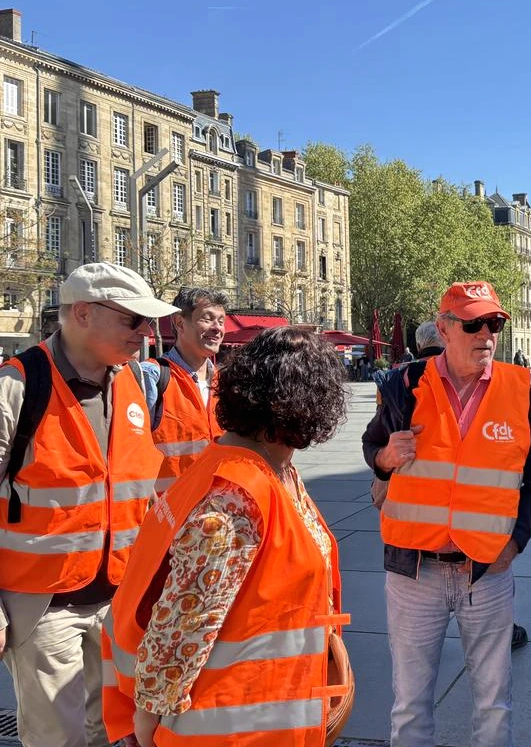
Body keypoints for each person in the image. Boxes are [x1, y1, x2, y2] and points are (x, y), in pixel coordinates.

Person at [103, 328, 351, 746]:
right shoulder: (236, 497)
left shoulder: (254, 469)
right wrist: (146, 723)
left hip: (259, 713)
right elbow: (184, 621)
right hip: (228, 726)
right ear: (302, 411)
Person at [362, 280, 531, 747]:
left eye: (495, 323)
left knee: (494, 704)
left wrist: (516, 541)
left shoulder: (518, 390)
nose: (487, 334)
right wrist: (385, 458)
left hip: (486, 572)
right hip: (414, 572)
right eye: (475, 324)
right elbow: (373, 447)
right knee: (410, 705)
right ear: (444, 329)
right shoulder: (405, 384)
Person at [0, 262, 175, 747]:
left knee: (118, 732)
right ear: (81, 314)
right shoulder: (17, 387)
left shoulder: (136, 381)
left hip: (122, 601)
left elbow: (149, 490)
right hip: (44, 607)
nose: (146, 332)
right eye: (132, 320)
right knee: (59, 737)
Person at [138, 286, 228, 493]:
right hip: (167, 516)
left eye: (221, 321)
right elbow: (131, 453)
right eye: (207, 318)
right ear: (179, 323)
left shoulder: (225, 385)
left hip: (214, 514)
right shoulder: (152, 377)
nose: (217, 328)